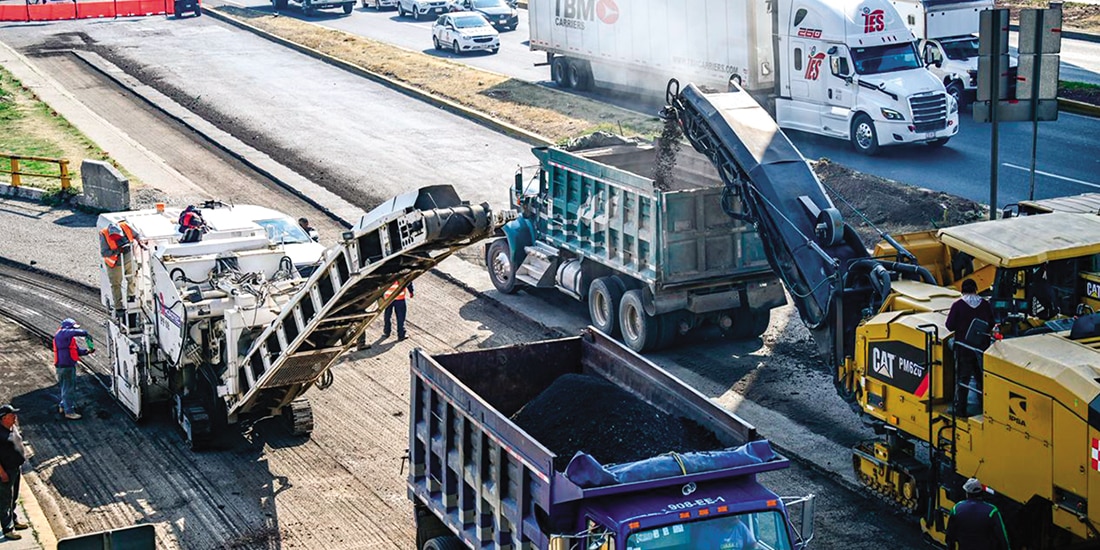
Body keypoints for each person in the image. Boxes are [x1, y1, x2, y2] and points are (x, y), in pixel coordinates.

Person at [945, 278, 994, 416]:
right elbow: (991, 322)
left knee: (963, 379)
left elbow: (949, 326)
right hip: (981, 348)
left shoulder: (958, 305)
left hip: (964, 348)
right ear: (976, 289)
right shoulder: (985, 304)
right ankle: (985, 407)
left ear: (962, 290)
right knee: (981, 378)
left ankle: (960, 409)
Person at [945, 477, 1010, 550]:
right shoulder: (992, 511)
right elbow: (1002, 537)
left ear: (967, 493)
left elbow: (950, 536)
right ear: (981, 493)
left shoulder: (957, 509)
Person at [53, 318, 93, 420]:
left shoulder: (67, 339)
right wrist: (85, 333)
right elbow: (71, 332)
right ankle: (69, 412)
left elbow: (76, 351)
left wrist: (87, 351)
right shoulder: (61, 334)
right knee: (68, 389)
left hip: (67, 366)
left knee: (66, 388)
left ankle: (63, 406)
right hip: (65, 367)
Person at [99, 220, 141, 317]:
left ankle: (131, 297)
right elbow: (104, 253)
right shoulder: (104, 234)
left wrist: (138, 242)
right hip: (114, 263)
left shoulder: (126, 226)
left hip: (128, 258)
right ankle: (119, 307)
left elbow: (137, 235)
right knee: (116, 284)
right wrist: (118, 250)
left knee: (133, 278)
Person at [0, 404, 28, 541]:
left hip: (16, 468)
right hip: (5, 471)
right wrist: (1, 473)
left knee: (14, 497)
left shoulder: (12, 427)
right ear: (4, 418)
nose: (15, 417)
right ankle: (7, 529)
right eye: (12, 415)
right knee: (5, 500)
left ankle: (14, 520)